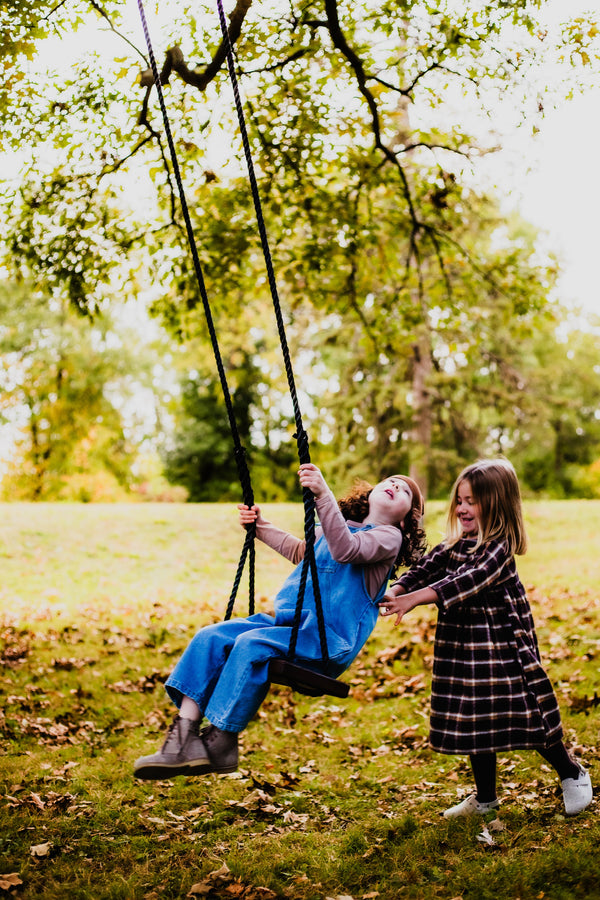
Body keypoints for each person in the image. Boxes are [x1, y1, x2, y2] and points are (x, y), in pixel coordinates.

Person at [134, 462, 426, 780]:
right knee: (211, 636)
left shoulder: (388, 539)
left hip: (325, 641)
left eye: (406, 491)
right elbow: (300, 550)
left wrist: (322, 493)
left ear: (407, 517)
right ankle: (183, 739)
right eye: (393, 480)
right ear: (370, 492)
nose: (397, 485)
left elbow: (347, 550)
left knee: (250, 644)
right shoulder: (335, 528)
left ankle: (221, 740)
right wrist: (260, 526)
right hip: (287, 627)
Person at [380, 458, 593, 817]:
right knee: (475, 714)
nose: (463, 508)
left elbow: (467, 580)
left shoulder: (499, 547)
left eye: (472, 501)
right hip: (465, 646)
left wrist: (415, 598)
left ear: (496, 504)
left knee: (526, 708)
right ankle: (485, 800)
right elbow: (428, 567)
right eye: (460, 500)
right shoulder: (456, 543)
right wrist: (399, 587)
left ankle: (571, 773)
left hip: (503, 643)